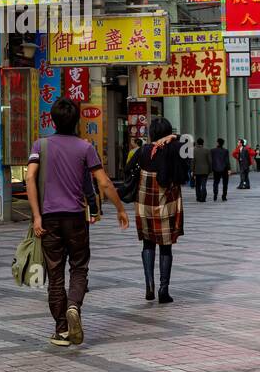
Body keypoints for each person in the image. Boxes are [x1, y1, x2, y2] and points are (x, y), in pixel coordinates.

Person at [26, 97, 129, 347]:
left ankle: (61, 330)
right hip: (75, 219)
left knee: (55, 273)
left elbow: (29, 178)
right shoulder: (85, 147)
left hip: (48, 220)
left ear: (52, 119)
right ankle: (74, 306)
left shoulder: (40, 145)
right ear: (77, 120)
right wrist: (120, 208)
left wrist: (37, 216)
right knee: (79, 267)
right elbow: (103, 182)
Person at [136, 117, 189, 304]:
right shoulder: (175, 149)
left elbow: (128, 170)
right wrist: (176, 137)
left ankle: (149, 283)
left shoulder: (143, 150)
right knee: (166, 246)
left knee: (148, 244)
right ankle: (163, 289)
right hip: (168, 201)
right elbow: (188, 152)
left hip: (145, 202)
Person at [192, 136, 211, 202]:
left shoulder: (194, 150)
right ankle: (203, 198)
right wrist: (210, 170)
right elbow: (210, 161)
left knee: (197, 185)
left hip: (197, 170)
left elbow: (193, 161)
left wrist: (192, 170)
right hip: (205, 170)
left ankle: (198, 197)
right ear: (203, 143)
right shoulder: (207, 150)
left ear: (197, 143)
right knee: (203, 184)